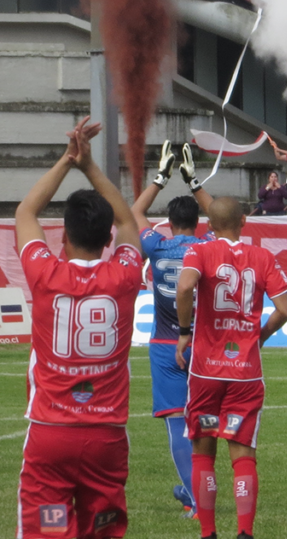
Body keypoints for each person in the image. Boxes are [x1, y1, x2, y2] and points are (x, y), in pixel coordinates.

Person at [15, 117, 142, 539]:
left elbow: (26, 211)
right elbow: (129, 224)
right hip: (106, 437)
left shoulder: (45, 274)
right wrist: (90, 167)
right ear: (108, 240)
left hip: (51, 433)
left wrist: (68, 160)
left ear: (62, 236)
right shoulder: (124, 277)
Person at [175, 198, 287, 539]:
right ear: (244, 220)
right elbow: (284, 309)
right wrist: (260, 336)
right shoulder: (263, 257)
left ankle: (208, 533)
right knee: (242, 456)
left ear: (208, 225)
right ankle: (244, 532)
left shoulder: (200, 251)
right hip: (245, 372)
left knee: (203, 452)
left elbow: (184, 287)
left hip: (206, 372)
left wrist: (185, 332)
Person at [130, 141, 215, 519]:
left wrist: (160, 178)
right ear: (198, 222)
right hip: (205, 343)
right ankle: (196, 487)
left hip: (166, 344)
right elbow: (225, 218)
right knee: (206, 422)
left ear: (170, 220)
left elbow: (134, 211)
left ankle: (196, 499)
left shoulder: (157, 246)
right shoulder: (209, 245)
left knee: (177, 421)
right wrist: (194, 180)